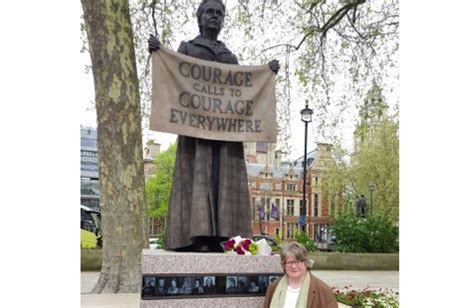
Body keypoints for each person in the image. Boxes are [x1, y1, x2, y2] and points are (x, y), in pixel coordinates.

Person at [148, 0, 280, 252]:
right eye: (210, 12)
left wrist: (267, 72)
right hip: (196, 133)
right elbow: (172, 76)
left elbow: (245, 90)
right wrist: (158, 52)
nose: (215, 17)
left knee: (224, 180)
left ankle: (225, 237)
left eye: (219, 13)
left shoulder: (230, 56)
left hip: (226, 134)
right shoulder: (187, 48)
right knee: (198, 177)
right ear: (200, 18)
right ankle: (195, 237)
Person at [263, 242, 338, 308]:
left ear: (306, 263)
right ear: (284, 265)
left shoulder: (323, 291)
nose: (294, 266)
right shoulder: (273, 288)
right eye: (289, 262)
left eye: (298, 262)